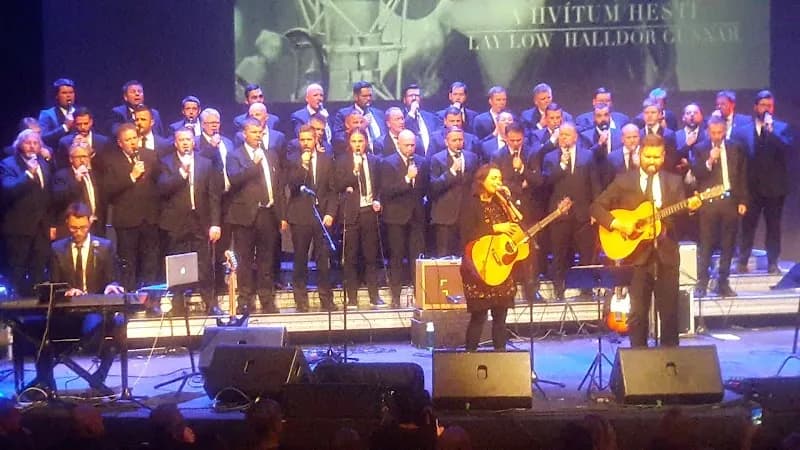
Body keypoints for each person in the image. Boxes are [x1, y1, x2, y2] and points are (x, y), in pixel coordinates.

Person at [590, 134, 702, 347]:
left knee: (669, 315)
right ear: (640, 154)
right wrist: (618, 224)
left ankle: (670, 364)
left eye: (657, 157)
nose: (652, 162)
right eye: (648, 156)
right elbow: (596, 207)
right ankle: (638, 365)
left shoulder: (674, 181)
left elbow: (681, 220)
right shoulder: (624, 181)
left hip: (666, 256)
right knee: (638, 316)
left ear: (663, 156)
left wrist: (690, 210)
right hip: (636, 259)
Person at [46, 202, 125, 387]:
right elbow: (53, 283)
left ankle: (99, 376)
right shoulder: (57, 249)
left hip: (96, 309)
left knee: (119, 323)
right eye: (73, 227)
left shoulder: (105, 247)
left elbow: (113, 278)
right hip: (68, 311)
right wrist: (66, 290)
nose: (78, 232)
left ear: (90, 222)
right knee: (38, 329)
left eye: (82, 227)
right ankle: (45, 382)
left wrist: (111, 286)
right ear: (67, 224)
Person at [158, 129, 224, 315]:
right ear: (175, 143)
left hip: (200, 221)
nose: (185, 143)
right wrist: (181, 173)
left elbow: (213, 196)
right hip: (176, 222)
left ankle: (210, 303)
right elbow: (163, 189)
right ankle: (178, 305)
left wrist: (215, 223)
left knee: (204, 263)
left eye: (188, 139)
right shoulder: (166, 163)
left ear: (194, 142)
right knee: (176, 263)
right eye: (181, 140)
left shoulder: (205, 163)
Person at [226, 119, 286, 314]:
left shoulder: (271, 154)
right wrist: (253, 164)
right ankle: (244, 300)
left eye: (260, 132)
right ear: (245, 134)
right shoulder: (235, 155)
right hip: (245, 215)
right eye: (253, 132)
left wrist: (282, 215)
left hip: (268, 213)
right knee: (244, 260)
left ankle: (266, 299)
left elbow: (277, 187)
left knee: (266, 259)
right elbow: (234, 179)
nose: (258, 135)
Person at [734, 90, 795, 275]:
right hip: (751, 188)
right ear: (755, 107)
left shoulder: (782, 128)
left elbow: (787, 151)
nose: (766, 109)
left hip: (775, 189)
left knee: (773, 227)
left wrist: (771, 132)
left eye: (769, 106)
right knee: (747, 226)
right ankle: (742, 260)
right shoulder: (742, 131)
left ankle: (772, 263)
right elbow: (738, 160)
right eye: (763, 105)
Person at [460, 164, 519, 351]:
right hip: (478, 267)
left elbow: (515, 225)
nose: (498, 182)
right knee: (479, 316)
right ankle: (469, 357)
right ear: (482, 181)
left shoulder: (500, 203)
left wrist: (509, 202)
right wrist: (495, 228)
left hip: (500, 265)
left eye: (500, 179)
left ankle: (500, 358)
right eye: (493, 178)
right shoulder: (471, 202)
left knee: (501, 317)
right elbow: (467, 233)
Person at [541, 122, 599, 300]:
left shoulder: (587, 156)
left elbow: (594, 184)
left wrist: (595, 211)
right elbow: (547, 183)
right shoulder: (551, 158)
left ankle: (586, 292)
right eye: (561, 135)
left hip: (583, 215)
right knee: (559, 256)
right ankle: (559, 292)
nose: (563, 138)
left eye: (567, 135)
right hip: (560, 215)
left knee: (586, 256)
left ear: (575, 137)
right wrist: (562, 165)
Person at [692, 116, 748, 298]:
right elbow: (697, 174)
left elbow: (742, 176)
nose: (717, 136)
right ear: (708, 132)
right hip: (709, 203)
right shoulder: (700, 148)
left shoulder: (735, 147)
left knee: (728, 244)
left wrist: (743, 201)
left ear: (725, 131)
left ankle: (723, 282)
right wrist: (709, 160)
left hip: (730, 202)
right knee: (706, 243)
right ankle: (702, 281)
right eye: (713, 133)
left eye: (720, 132)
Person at [286, 123, 337, 312]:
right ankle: (301, 299)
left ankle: (326, 298)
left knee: (324, 260)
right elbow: (292, 186)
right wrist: (304, 164)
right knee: (300, 259)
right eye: (302, 140)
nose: (306, 143)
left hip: (322, 216)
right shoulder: (293, 160)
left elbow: (332, 190)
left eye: (309, 139)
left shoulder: (326, 159)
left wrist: (331, 213)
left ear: (316, 140)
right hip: (300, 216)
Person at [105, 123, 161, 292]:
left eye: (134, 138)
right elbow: (108, 190)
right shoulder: (111, 161)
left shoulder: (150, 156)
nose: (132, 143)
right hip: (127, 221)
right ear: (120, 143)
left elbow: (160, 182)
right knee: (128, 262)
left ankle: (151, 301)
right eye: (128, 140)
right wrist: (131, 176)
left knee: (151, 261)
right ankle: (129, 299)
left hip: (150, 218)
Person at [333, 128, 386, 308]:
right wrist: (353, 173)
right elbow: (337, 184)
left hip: (369, 212)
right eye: (354, 141)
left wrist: (378, 200)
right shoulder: (342, 161)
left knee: (371, 256)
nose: (358, 145)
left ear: (366, 142)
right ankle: (352, 298)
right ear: (350, 143)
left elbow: (380, 185)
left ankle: (374, 295)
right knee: (351, 257)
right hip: (351, 213)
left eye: (360, 141)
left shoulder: (374, 161)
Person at [380, 129, 429, 307]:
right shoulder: (388, 163)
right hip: (396, 217)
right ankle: (395, 295)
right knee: (397, 257)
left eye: (412, 145)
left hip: (416, 217)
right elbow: (387, 191)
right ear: (399, 144)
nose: (410, 148)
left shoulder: (422, 162)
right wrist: (407, 178)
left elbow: (424, 188)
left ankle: (420, 294)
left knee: (417, 257)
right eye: (407, 145)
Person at [1, 129, 52, 297]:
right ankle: (16, 308)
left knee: (39, 269)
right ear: (19, 144)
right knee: (17, 270)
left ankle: (36, 305)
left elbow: (48, 195)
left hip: (41, 229)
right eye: (28, 143)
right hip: (19, 229)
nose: (32, 146)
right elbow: (8, 189)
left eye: (35, 143)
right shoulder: (8, 164)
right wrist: (28, 173)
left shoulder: (43, 164)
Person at [429, 126, 478, 256]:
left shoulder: (472, 157)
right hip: (445, 216)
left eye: (460, 140)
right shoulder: (437, 159)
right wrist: (450, 172)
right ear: (446, 142)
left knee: (466, 253)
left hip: (466, 215)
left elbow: (476, 183)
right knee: (444, 254)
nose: (458, 143)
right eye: (454, 140)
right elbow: (433, 186)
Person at [52, 142, 106, 237]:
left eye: (85, 156)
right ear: (71, 159)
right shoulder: (61, 175)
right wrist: (76, 181)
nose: (82, 160)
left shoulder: (94, 175)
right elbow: (59, 199)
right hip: (73, 227)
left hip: (94, 225)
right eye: (78, 157)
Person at [38, 78, 77, 149]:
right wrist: (65, 127)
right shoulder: (47, 114)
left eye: (71, 92)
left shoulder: (79, 112)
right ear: (56, 96)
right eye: (64, 93)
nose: (68, 95)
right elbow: (43, 138)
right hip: (56, 155)